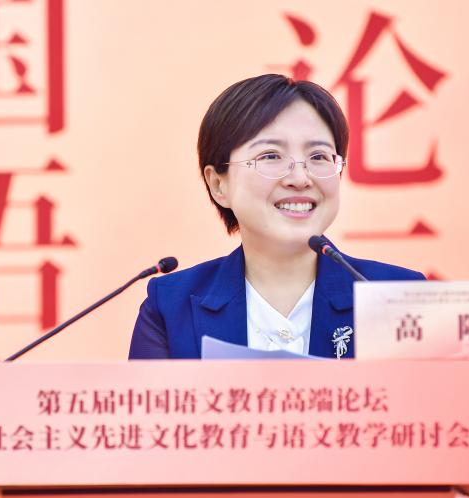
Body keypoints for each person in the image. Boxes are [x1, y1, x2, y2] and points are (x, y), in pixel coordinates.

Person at [129, 74, 424, 359]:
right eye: (271, 156)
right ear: (219, 184)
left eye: (319, 157)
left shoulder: (399, 298)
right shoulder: (170, 307)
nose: (300, 178)